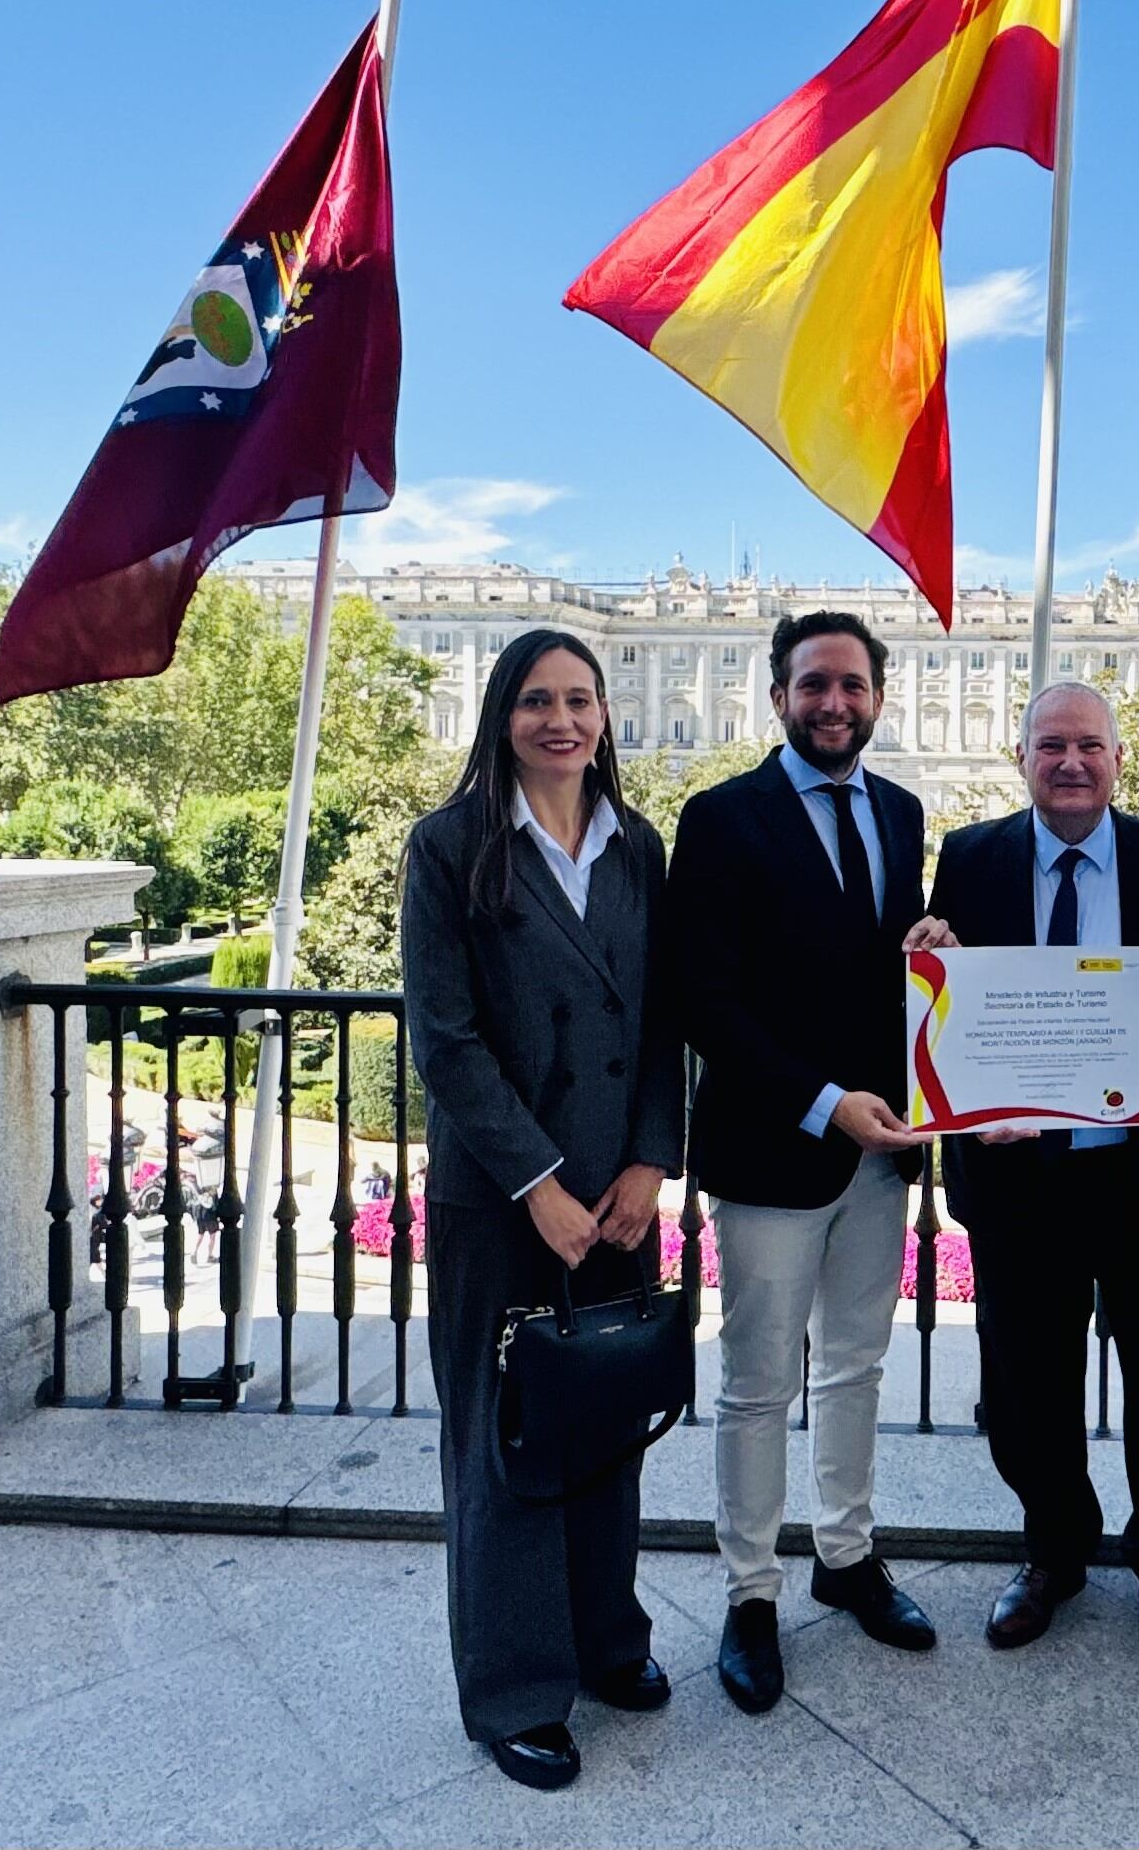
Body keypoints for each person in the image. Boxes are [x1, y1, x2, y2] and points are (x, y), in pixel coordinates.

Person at [400, 628, 686, 1791]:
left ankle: (607, 1641)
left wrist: (649, 1163)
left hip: (617, 1196)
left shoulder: (638, 847)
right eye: (535, 701)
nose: (560, 721)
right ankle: (516, 1689)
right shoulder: (450, 845)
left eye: (579, 700)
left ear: (607, 718)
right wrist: (539, 1185)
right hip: (502, 1197)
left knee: (606, 1427)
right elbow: (448, 1040)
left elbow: (665, 1017)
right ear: (501, 716)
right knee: (505, 1444)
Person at [666, 611, 939, 1717]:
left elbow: (878, 970)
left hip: (882, 1155)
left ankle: (846, 1551)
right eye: (815, 685)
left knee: (857, 1368)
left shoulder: (903, 810)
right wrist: (831, 1105)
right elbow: (705, 1000)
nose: (836, 703)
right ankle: (749, 1592)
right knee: (757, 1383)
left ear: (879, 697)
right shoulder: (722, 817)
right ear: (778, 696)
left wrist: (934, 961)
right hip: (776, 1147)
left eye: (854, 685)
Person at [917, 680, 1139, 1675]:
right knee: (1025, 1383)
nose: (1072, 762)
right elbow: (942, 997)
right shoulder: (970, 858)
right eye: (1052, 745)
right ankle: (1053, 1550)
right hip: (1017, 1181)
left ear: (1117, 758)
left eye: (1089, 744)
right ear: (1022, 758)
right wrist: (930, 962)